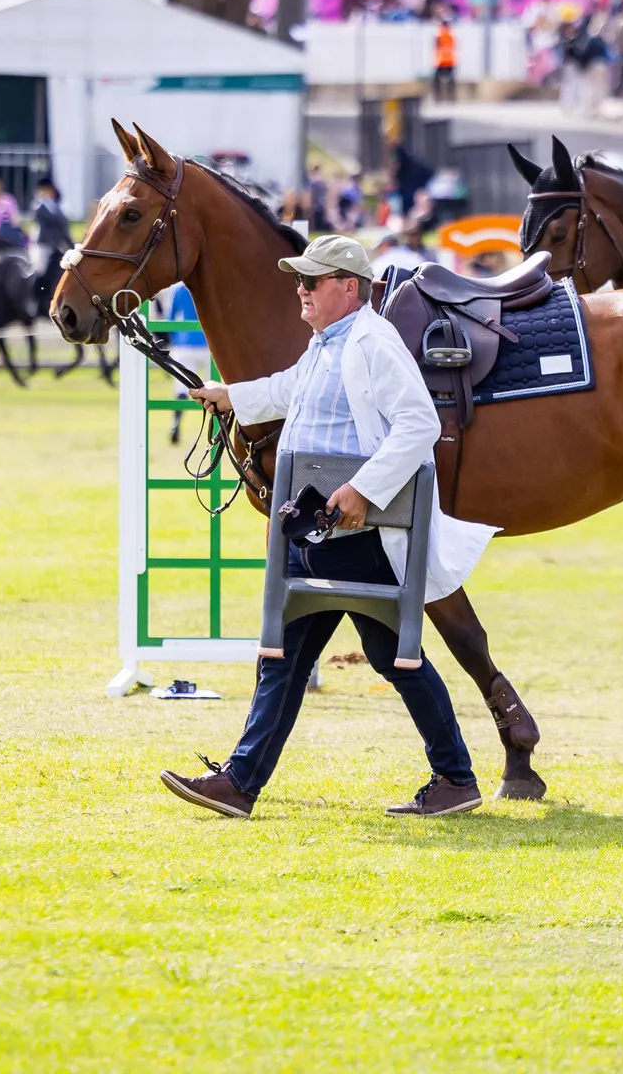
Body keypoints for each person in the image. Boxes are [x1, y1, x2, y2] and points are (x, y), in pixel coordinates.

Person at [166, 234, 497, 819]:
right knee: (295, 655)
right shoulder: (328, 341)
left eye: (311, 281)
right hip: (320, 529)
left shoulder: (373, 342)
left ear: (348, 287)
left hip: (351, 532)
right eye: (300, 279)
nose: (300, 289)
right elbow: (288, 390)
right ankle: (241, 783)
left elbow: (418, 424)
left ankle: (454, 777)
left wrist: (362, 490)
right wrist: (229, 394)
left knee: (386, 656)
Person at [31, 177, 73, 253]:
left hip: (57, 244)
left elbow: (63, 227)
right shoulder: (39, 207)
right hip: (43, 244)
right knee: (40, 264)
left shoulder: (56, 207)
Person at [431, 17, 457, 103]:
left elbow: (436, 46)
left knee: (436, 81)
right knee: (451, 81)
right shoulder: (451, 35)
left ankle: (438, 97)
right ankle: (451, 97)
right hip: (450, 59)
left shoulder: (439, 35)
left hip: (441, 60)